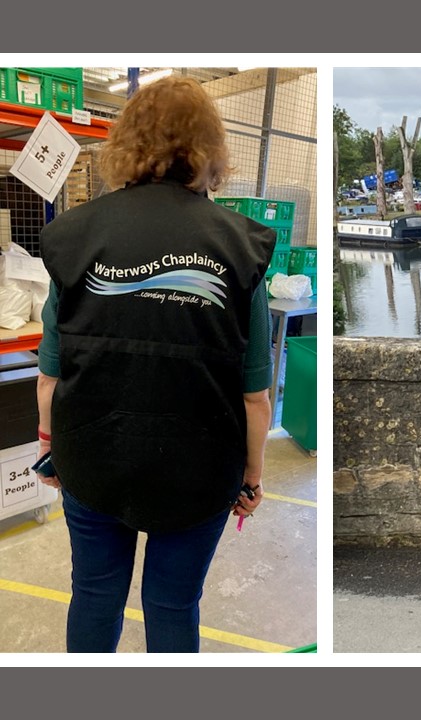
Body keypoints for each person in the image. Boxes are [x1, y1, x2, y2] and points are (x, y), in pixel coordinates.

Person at [35, 76, 276, 652]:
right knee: (172, 603)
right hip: (198, 467)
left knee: (94, 592)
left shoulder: (74, 237)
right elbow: (254, 397)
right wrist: (252, 474)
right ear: (210, 151)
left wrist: (50, 444)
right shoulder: (239, 249)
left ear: (126, 144)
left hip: (93, 456)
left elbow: (50, 373)